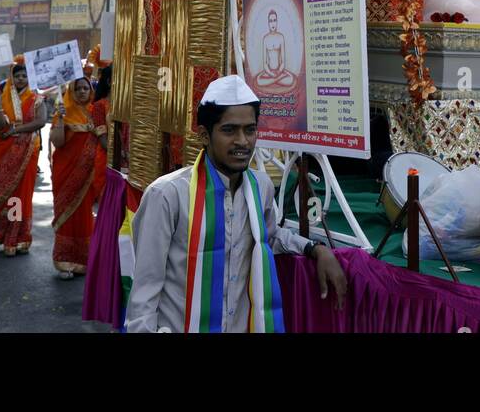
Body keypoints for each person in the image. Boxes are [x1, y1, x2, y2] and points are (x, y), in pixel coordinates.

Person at [126, 75, 347, 333]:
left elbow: (269, 238)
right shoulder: (167, 195)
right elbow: (145, 290)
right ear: (204, 136)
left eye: (250, 129)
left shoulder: (260, 187)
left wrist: (315, 249)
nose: (242, 141)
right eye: (229, 130)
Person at [0, 58, 46, 256]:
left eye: (24, 76)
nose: (20, 79)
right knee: (4, 194)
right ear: (11, 77)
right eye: (17, 76)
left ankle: (15, 237)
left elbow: (41, 121)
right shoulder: (2, 97)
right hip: (4, 150)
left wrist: (16, 130)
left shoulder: (37, 99)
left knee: (19, 196)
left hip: (27, 152)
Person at [50, 72, 110, 278]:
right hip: (65, 172)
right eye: (78, 88)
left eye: (85, 88)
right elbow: (57, 143)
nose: (82, 92)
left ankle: (85, 260)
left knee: (85, 213)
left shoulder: (97, 110)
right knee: (66, 213)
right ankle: (64, 260)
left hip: (90, 174)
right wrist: (59, 120)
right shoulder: (63, 111)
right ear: (71, 91)